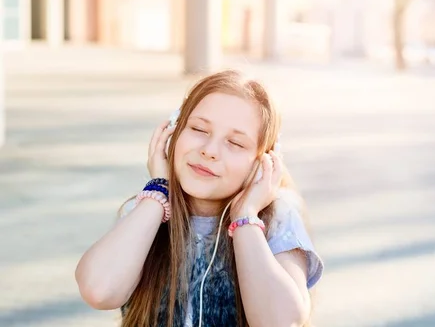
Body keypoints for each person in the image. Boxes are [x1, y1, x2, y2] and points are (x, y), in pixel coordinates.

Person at [75, 70, 324, 327]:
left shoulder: (277, 220)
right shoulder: (147, 210)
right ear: (173, 133)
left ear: (263, 164)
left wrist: (246, 217)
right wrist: (158, 192)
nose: (209, 150)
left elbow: (281, 322)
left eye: (236, 144)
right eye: (198, 129)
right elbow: (99, 291)